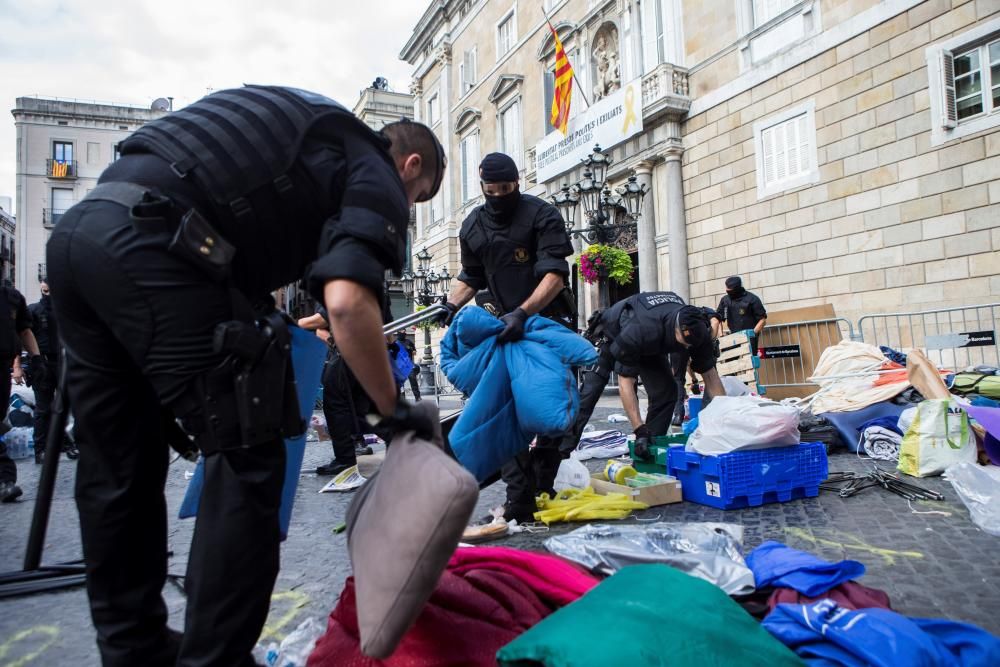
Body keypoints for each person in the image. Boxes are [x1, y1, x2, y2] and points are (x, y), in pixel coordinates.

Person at [45, 85, 445, 666]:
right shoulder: (370, 166)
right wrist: (394, 412)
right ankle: (217, 661)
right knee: (250, 451)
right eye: (419, 195)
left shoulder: (310, 135)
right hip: (160, 245)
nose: (407, 207)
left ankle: (134, 652)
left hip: (82, 239)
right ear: (410, 167)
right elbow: (348, 301)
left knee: (119, 463)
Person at [439, 152, 575, 524]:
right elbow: (471, 276)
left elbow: (555, 276)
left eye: (506, 189)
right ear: (482, 187)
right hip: (505, 328)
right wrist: (449, 305)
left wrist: (523, 312)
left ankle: (542, 482)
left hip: (548, 321)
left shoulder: (541, 215)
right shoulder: (473, 226)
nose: (498, 195)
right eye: (491, 190)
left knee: (550, 412)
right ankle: (520, 498)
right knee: (503, 411)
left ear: (517, 183)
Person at [564, 291, 726, 460]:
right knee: (589, 395)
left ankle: (648, 451)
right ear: (676, 330)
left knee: (667, 392)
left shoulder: (697, 327)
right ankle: (558, 455)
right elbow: (626, 381)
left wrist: (726, 420)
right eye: (683, 344)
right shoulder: (640, 329)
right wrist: (638, 428)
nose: (686, 349)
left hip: (652, 344)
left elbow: (711, 376)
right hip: (613, 335)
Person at [0, 282, 44, 502]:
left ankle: (5, 481)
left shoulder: (12, 297)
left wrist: (36, 359)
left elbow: (24, 330)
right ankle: (5, 480)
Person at [28, 278, 79, 464]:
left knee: (66, 406)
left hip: (61, 362)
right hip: (42, 363)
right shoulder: (33, 310)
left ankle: (67, 444)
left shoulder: (63, 312)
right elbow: (24, 334)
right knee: (43, 408)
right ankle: (41, 449)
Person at [670, 307, 722, 426]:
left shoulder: (681, 316)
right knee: (711, 377)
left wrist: (694, 379)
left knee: (678, 378)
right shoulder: (706, 311)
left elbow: (687, 362)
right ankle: (707, 411)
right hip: (701, 340)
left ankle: (678, 414)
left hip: (679, 341)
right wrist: (710, 341)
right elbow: (714, 322)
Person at [717, 276, 767, 353]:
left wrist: (752, 334)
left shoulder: (752, 299)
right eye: (727, 289)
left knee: (749, 362)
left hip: (749, 338)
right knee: (732, 361)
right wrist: (721, 335)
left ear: (737, 289)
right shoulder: (725, 300)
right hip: (732, 337)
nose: (727, 291)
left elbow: (762, 320)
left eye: (730, 290)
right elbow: (718, 318)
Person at [396, 330, 421, 401]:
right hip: (400, 367)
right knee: (400, 384)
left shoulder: (409, 342)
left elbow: (414, 352)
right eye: (402, 332)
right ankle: (402, 399)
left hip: (408, 365)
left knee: (413, 380)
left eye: (404, 332)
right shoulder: (395, 343)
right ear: (398, 333)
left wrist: (411, 350)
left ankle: (418, 397)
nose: (403, 333)